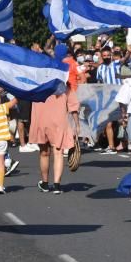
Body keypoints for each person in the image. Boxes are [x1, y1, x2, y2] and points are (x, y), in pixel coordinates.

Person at [31, 47, 81, 195]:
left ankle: (45, 183)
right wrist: (77, 124)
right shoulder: (63, 82)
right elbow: (73, 104)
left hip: (40, 119)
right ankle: (57, 185)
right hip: (58, 120)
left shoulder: (37, 82)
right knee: (58, 152)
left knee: (44, 153)